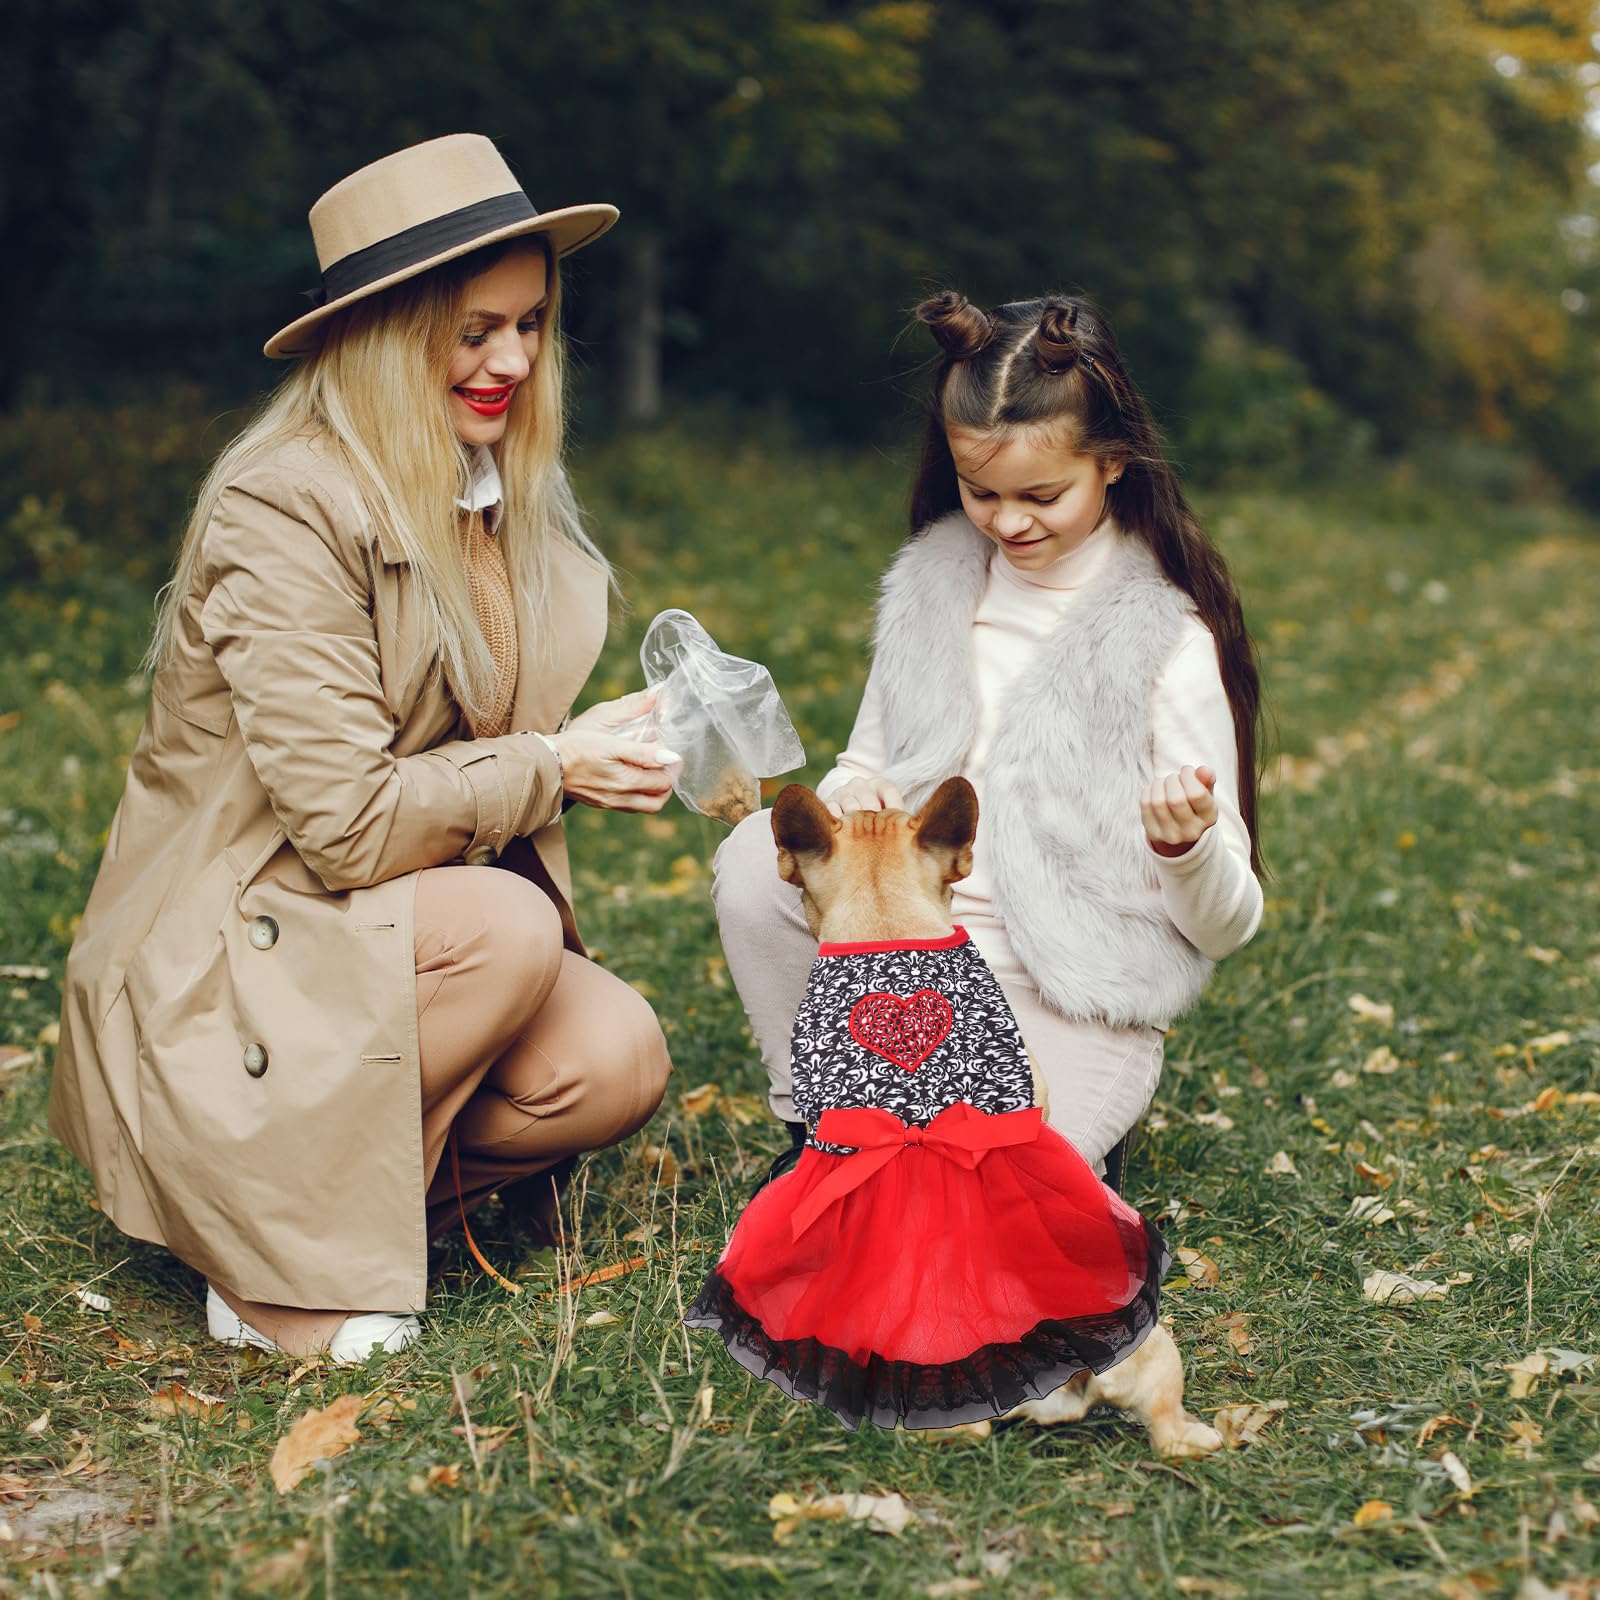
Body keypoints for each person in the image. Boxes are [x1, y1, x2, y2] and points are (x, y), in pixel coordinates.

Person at [50, 134, 676, 1362]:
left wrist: (631, 746)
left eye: (530, 323)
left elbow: (479, 746)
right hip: (233, 942)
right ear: (388, 335)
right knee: (507, 929)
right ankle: (261, 1262)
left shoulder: (483, 489)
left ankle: (318, 1216)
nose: (512, 361)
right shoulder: (283, 502)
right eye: (473, 330)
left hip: (355, 930)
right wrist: (558, 764)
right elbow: (346, 821)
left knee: (614, 1058)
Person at [712, 291, 1265, 1181]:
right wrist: (859, 790)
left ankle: (1068, 1115)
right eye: (982, 493)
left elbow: (1229, 926)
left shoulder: (1165, 641)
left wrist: (1189, 847)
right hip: (903, 967)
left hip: (1066, 996)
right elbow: (865, 761)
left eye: (1042, 495)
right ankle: (817, 1119)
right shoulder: (934, 588)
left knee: (988, 1194)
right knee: (751, 862)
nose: (1009, 523)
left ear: (1114, 462)